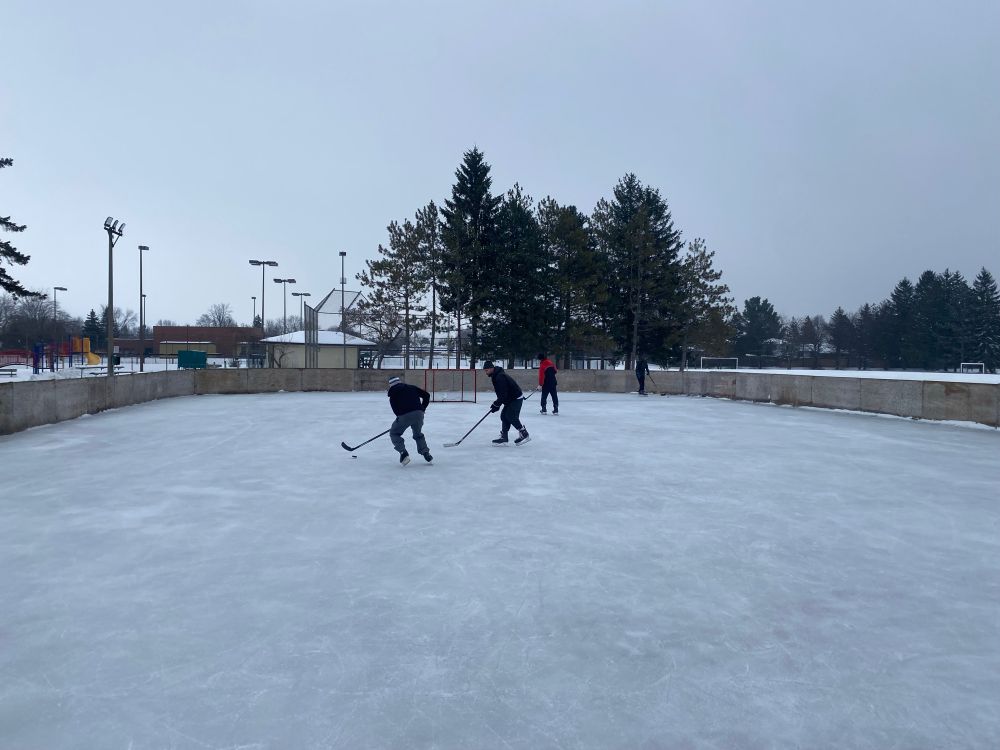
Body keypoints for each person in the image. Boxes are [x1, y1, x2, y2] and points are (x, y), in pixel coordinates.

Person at [387, 375, 432, 465]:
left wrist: (400, 419)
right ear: (399, 381)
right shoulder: (411, 387)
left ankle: (403, 453)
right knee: (418, 434)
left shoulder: (392, 396)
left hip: (404, 416)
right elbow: (426, 395)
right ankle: (425, 453)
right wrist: (422, 408)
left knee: (394, 433)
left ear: (391, 385)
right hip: (419, 414)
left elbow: (396, 411)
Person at [483, 361, 530, 445]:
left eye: (486, 370)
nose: (485, 372)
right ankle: (504, 436)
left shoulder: (499, 377)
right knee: (504, 416)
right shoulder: (496, 375)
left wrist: (496, 404)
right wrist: (497, 404)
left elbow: (503, 394)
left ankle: (524, 433)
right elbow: (502, 394)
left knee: (510, 416)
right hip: (510, 398)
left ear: (491, 368)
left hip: (515, 398)